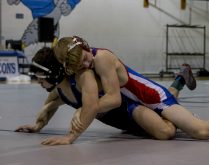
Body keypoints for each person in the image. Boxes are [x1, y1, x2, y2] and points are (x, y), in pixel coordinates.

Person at [45, 36, 209, 146]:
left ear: (87, 47)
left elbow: (113, 98)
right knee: (166, 132)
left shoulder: (102, 59)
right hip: (138, 103)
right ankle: (181, 79)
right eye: (80, 66)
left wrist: (85, 111)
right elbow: (92, 103)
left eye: (86, 59)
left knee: (201, 131)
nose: (86, 65)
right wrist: (70, 138)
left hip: (154, 98)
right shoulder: (83, 69)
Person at [15, 47, 196, 145]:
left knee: (167, 131)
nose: (38, 82)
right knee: (160, 112)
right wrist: (37, 125)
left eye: (40, 78)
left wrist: (70, 137)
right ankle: (180, 78)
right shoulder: (59, 90)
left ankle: (180, 115)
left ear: (53, 73)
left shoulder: (82, 80)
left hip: (131, 109)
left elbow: (94, 104)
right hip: (123, 123)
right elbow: (49, 105)